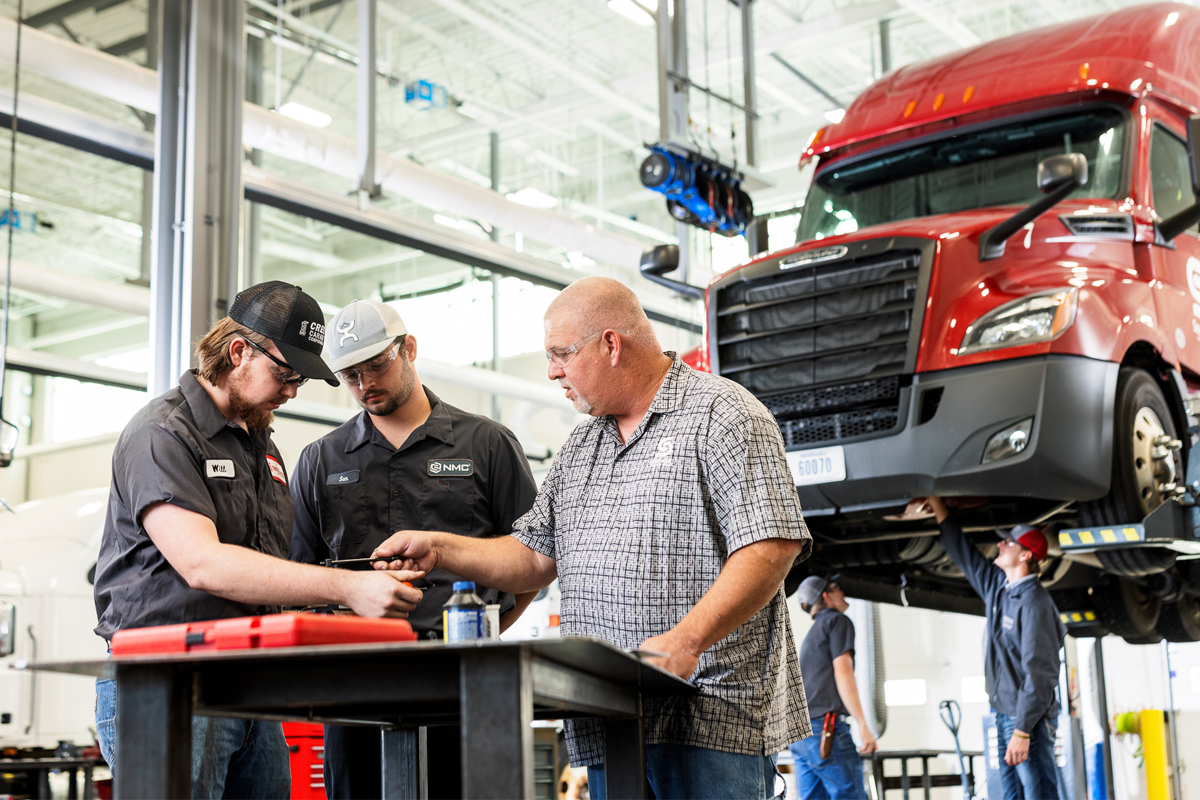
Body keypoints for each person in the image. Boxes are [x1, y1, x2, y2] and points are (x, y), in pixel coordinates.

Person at [371, 275, 813, 800]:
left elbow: (770, 544)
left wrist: (685, 641)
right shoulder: (582, 445)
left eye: (561, 353)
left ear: (611, 344)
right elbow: (534, 556)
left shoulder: (725, 415)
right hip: (609, 716)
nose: (552, 371)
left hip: (711, 717)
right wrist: (440, 549)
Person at [92, 281, 424, 799]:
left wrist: (357, 587)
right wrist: (347, 590)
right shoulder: (163, 434)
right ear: (238, 351)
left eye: (301, 380)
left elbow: (269, 571)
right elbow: (204, 564)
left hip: (249, 688)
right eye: (285, 374)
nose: (292, 391)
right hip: (170, 685)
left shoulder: (260, 445)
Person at [288, 298, 539, 799]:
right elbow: (298, 573)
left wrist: (487, 631)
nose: (364, 385)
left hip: (465, 683)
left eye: (376, 366)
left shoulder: (487, 445)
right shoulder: (320, 459)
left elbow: (534, 558)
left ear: (409, 349)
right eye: (350, 376)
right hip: (354, 686)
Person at [923, 497, 1065, 800]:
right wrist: (938, 506)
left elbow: (1040, 674)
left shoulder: (1035, 604)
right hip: (1003, 712)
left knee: (1039, 792)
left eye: (1009, 543)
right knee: (1010, 794)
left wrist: (1023, 730)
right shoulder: (999, 588)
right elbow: (965, 556)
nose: (1000, 546)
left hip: (1029, 720)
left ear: (1026, 554)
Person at [789, 574, 877, 799]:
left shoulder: (814, 632)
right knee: (851, 796)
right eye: (837, 588)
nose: (843, 592)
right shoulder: (837, 621)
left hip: (800, 734)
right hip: (824, 730)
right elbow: (843, 672)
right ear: (827, 595)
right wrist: (863, 724)